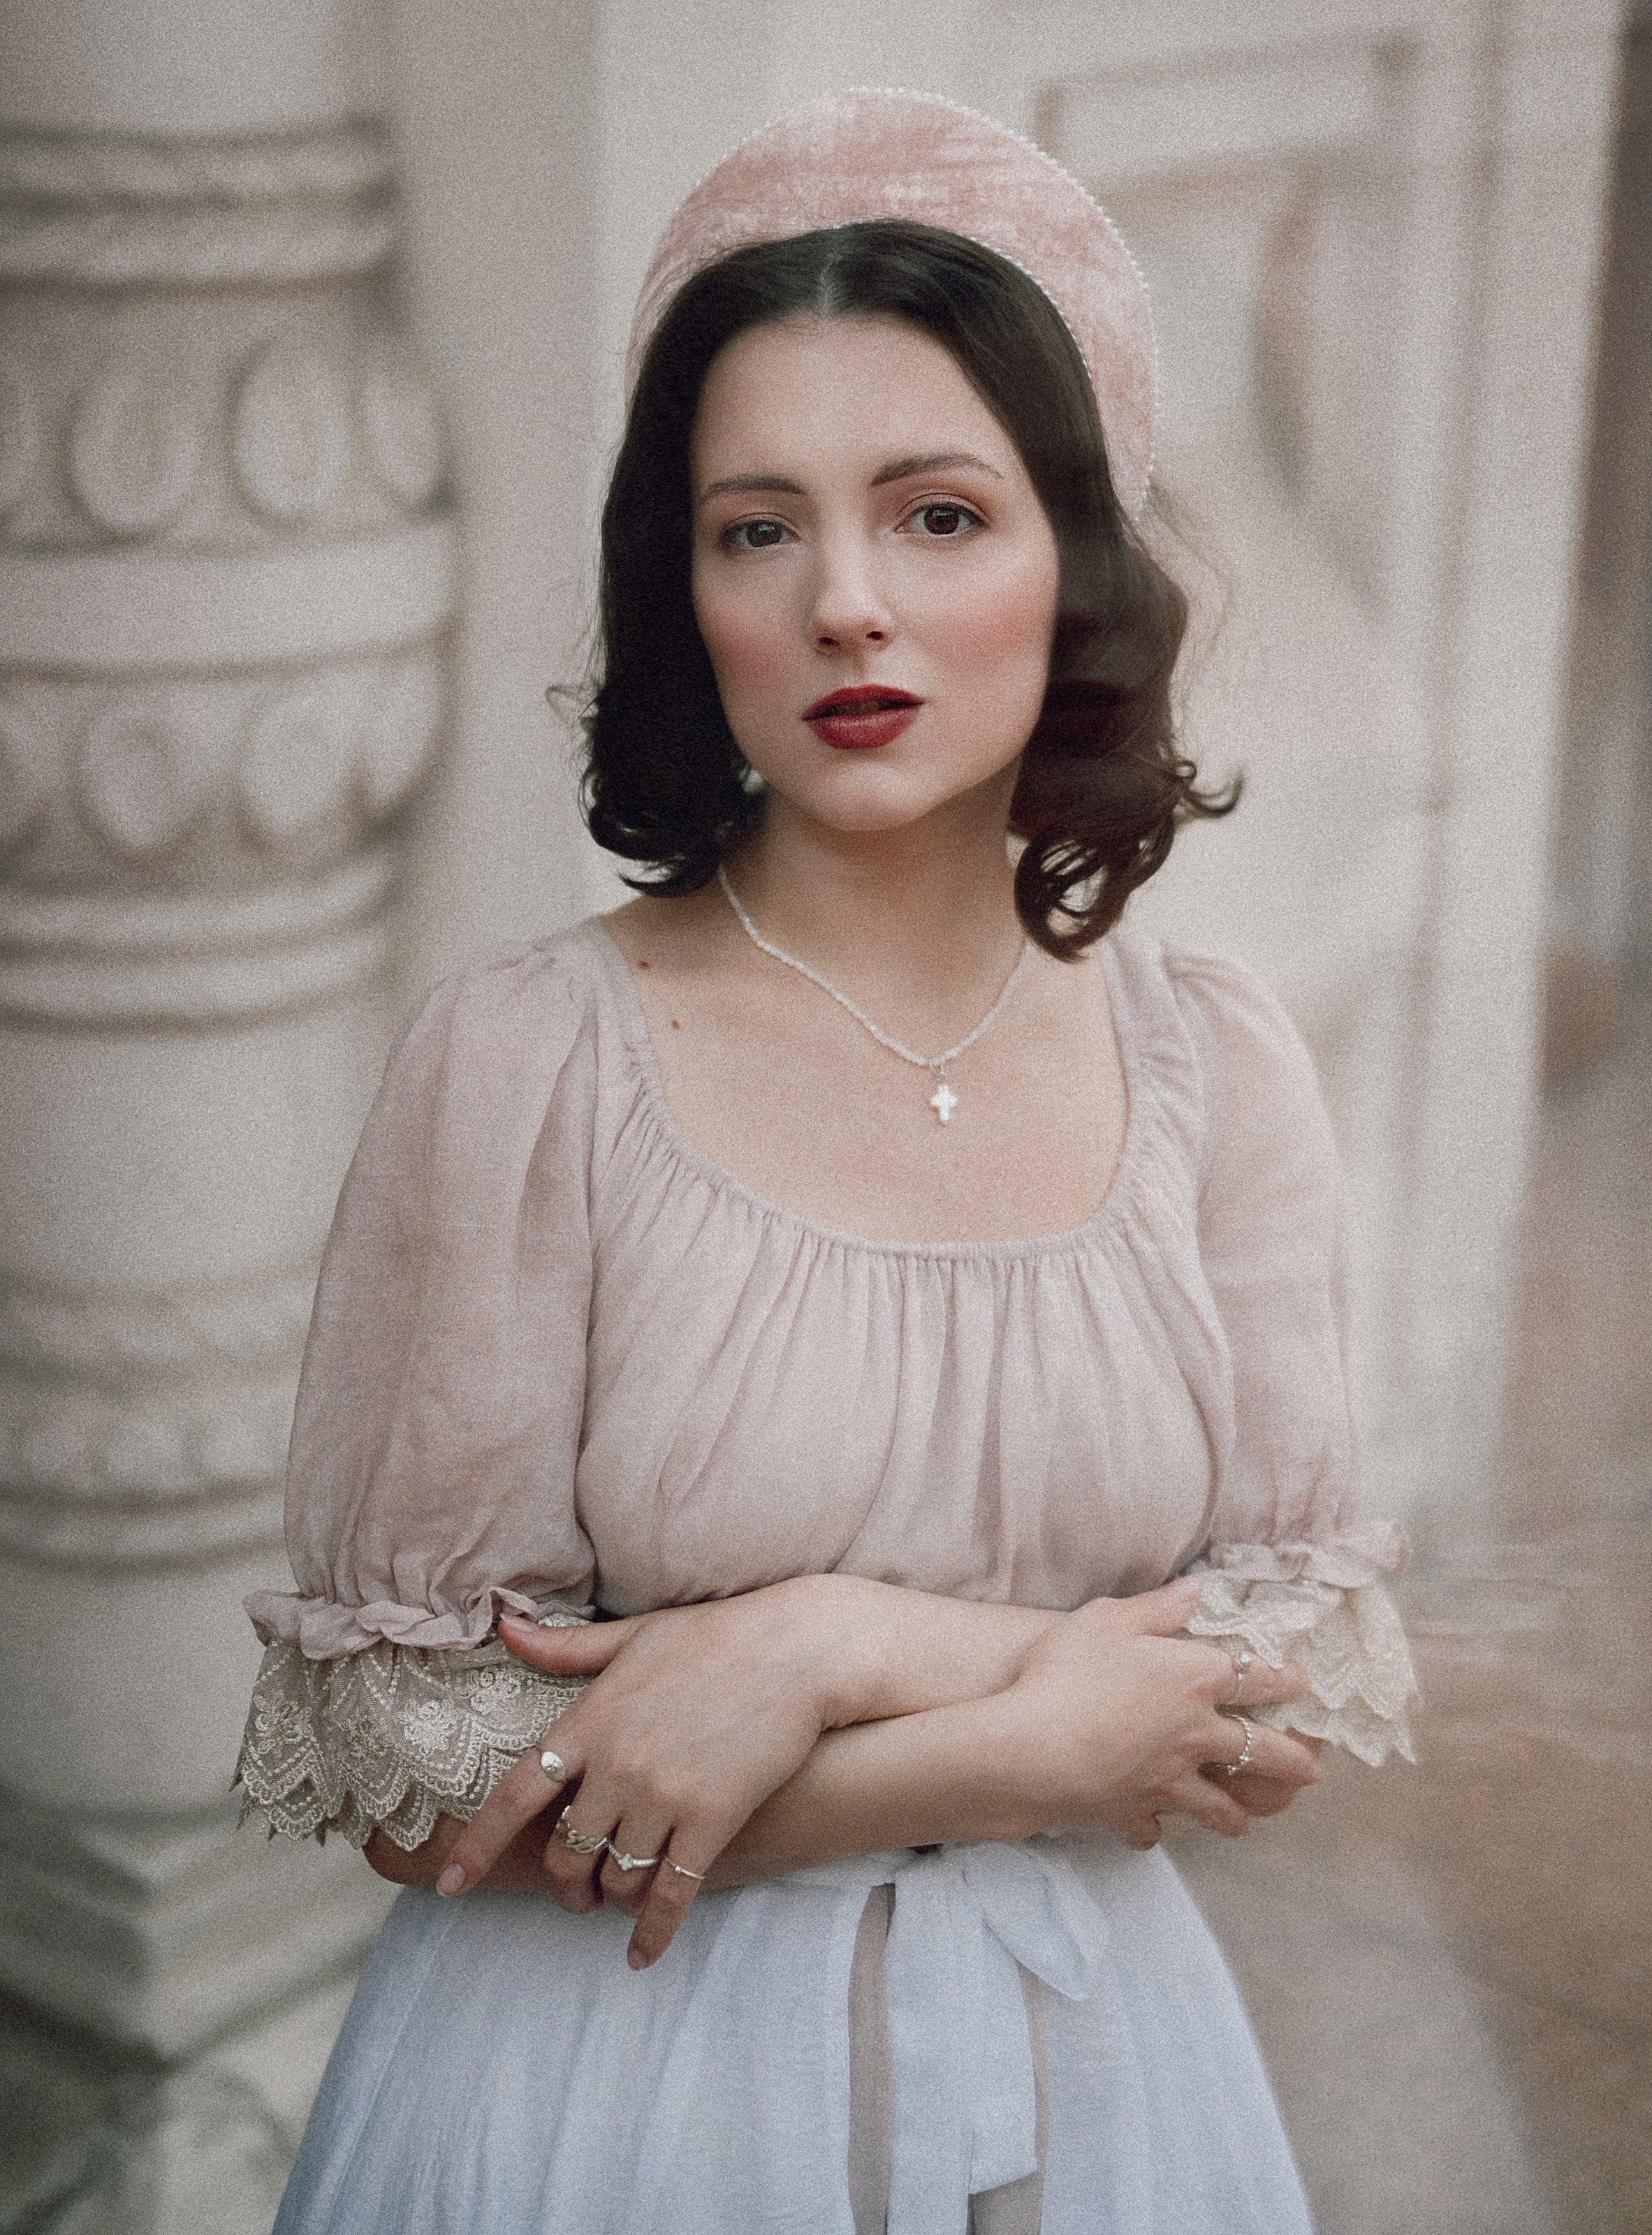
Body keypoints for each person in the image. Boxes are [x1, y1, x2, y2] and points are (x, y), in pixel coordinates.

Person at [237, 89, 1415, 2235]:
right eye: (758, 527)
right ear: (686, 595)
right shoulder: (528, 1068)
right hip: (608, 2100)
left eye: (939, 515)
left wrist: (828, 1644)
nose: (847, 601)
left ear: (1077, 562)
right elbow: (418, 1781)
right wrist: (1024, 1742)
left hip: (1095, 2090)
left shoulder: (1220, 1069)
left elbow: (1278, 1698)